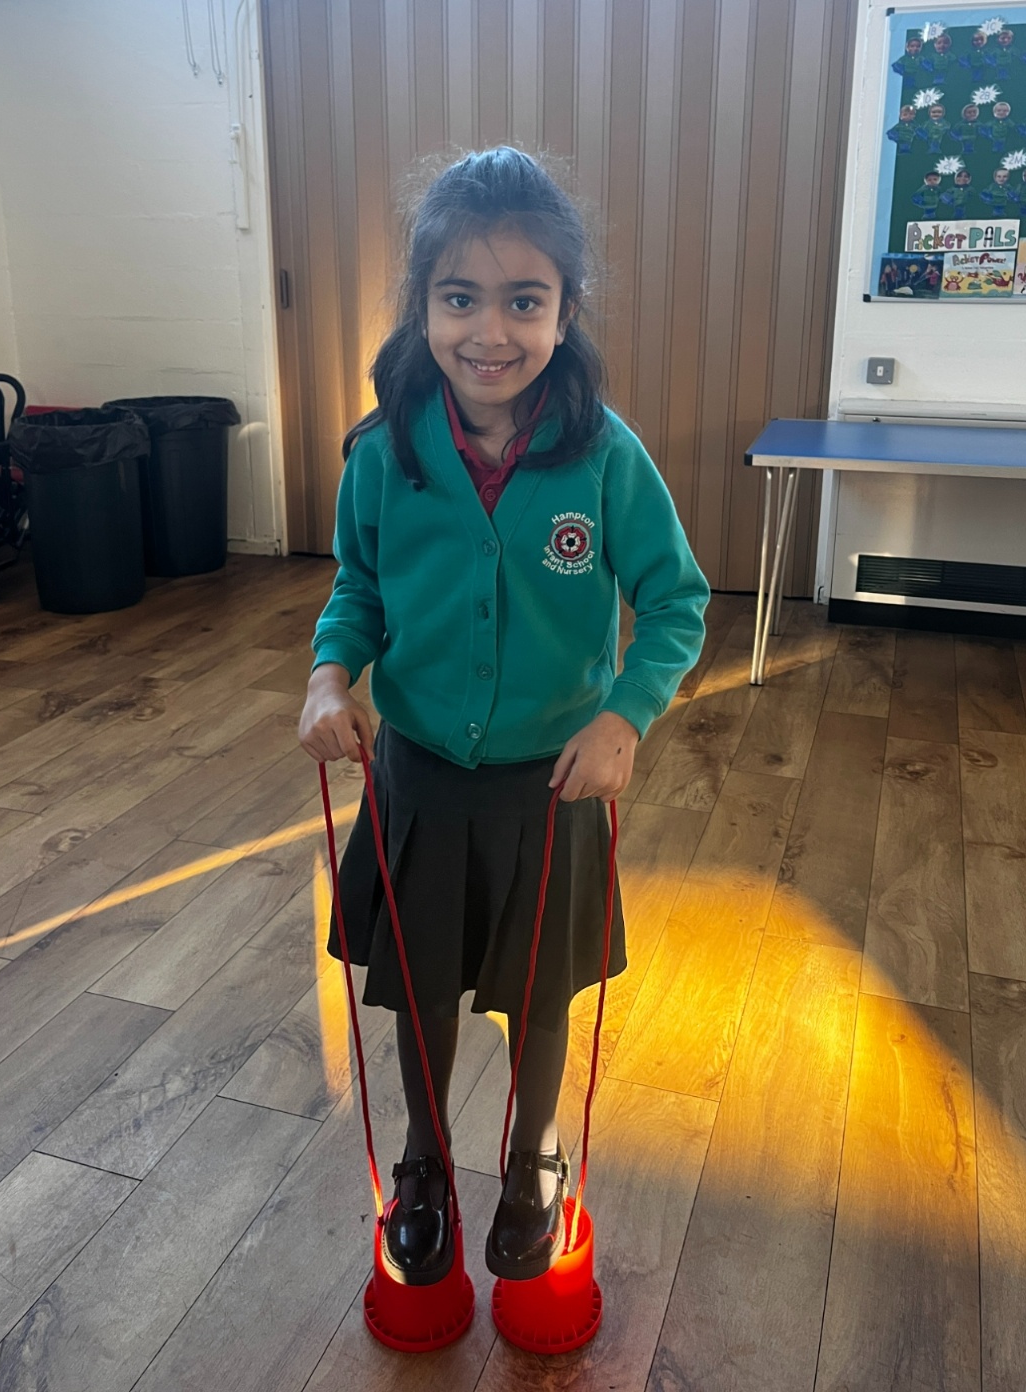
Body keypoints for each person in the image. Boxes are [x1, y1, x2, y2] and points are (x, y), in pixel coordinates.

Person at [298, 147, 709, 1290]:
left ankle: (533, 1157)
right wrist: (330, 676)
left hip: (551, 784)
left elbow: (676, 601)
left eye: (525, 301)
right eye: (460, 298)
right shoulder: (383, 452)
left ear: (566, 311)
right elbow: (358, 585)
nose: (491, 331)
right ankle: (423, 1162)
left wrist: (626, 714)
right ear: (422, 306)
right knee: (421, 987)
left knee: (538, 991)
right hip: (420, 773)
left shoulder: (606, 456)